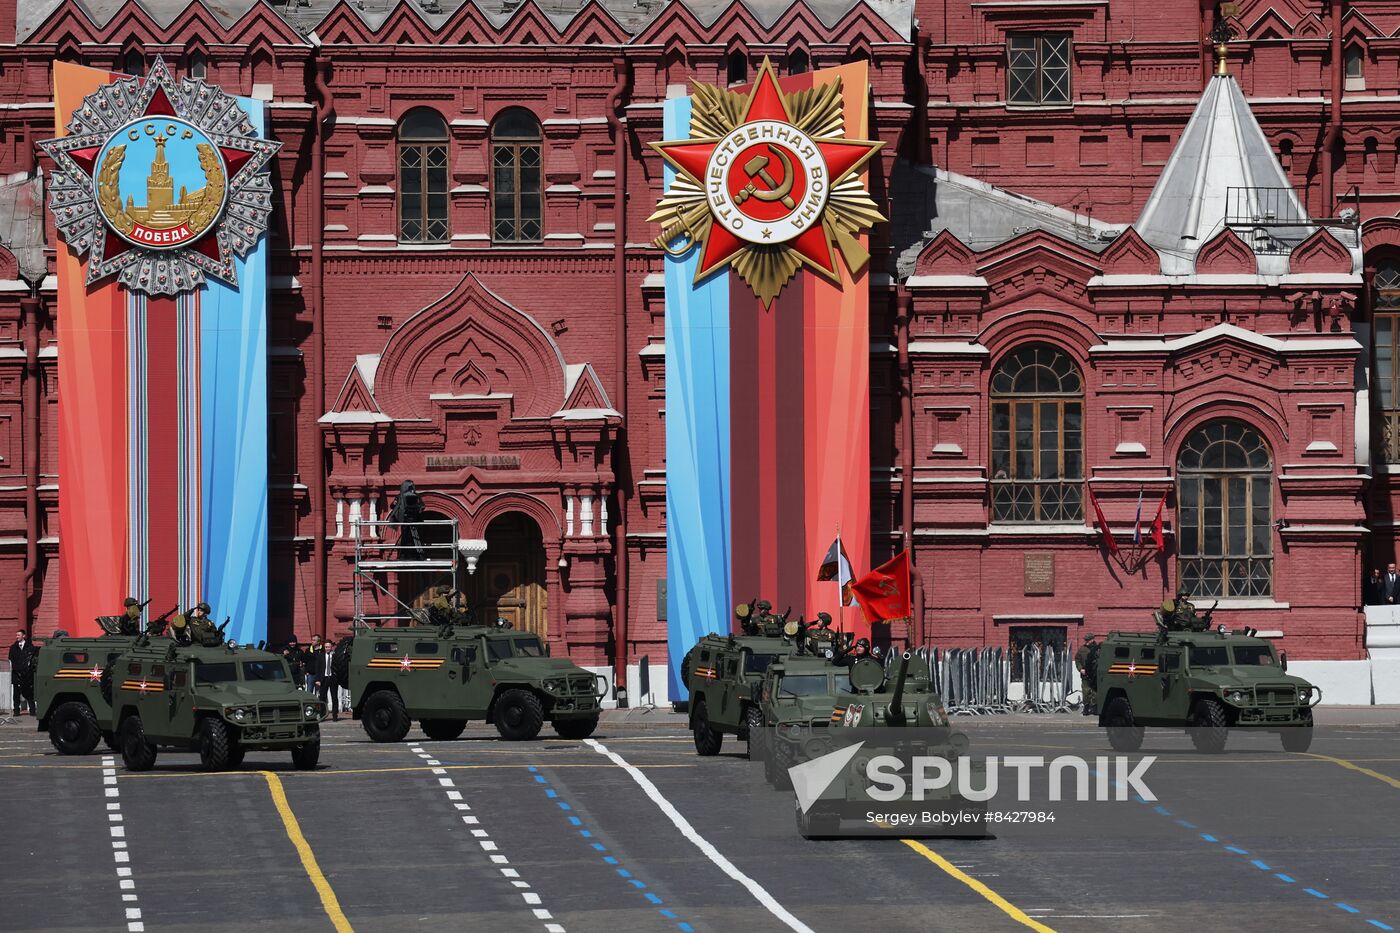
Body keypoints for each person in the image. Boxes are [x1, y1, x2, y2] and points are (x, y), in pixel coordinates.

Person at [8, 630, 35, 715]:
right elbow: (11, 659)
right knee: (16, 694)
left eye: (19, 635)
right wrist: (18, 669)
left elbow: (32, 660)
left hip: (27, 674)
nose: (17, 637)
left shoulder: (30, 646)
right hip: (16, 673)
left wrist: (27, 670)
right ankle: (16, 710)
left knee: (30, 693)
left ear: (24, 636)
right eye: (16, 635)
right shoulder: (13, 647)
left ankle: (32, 710)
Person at [313, 640, 340, 721]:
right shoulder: (321, 656)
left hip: (333, 678)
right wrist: (317, 679)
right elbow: (317, 668)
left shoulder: (335, 656)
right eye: (326, 647)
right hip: (323, 678)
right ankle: (322, 714)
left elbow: (338, 667)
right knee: (322, 697)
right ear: (324, 647)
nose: (327, 648)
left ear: (332, 647)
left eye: (329, 647)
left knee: (334, 697)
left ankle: (335, 715)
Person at [1074, 633, 1098, 716]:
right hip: (1085, 674)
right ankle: (1086, 708)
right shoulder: (1082, 649)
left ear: (1092, 640)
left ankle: (1095, 708)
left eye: (1089, 640)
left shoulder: (1097, 649)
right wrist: (1080, 669)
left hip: (1095, 674)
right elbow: (1077, 660)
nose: (1087, 642)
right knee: (1086, 691)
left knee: (1095, 692)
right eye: (1086, 640)